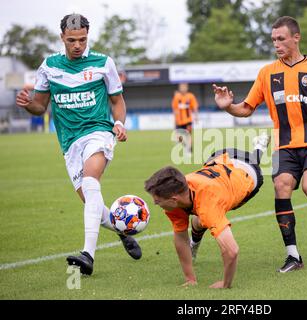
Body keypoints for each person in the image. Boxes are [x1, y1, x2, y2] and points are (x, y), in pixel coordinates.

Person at [212, 16, 307, 273]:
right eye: (273, 40)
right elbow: (246, 109)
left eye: (281, 39)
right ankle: (293, 256)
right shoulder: (267, 73)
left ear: (296, 37)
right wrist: (228, 108)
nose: (276, 44)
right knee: (281, 187)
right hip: (284, 145)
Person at [15, 14, 142, 276]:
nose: (77, 45)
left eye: (82, 40)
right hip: (69, 141)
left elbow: (117, 101)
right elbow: (40, 106)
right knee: (90, 201)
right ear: (62, 37)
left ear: (88, 36)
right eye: (72, 40)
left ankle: (88, 255)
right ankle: (121, 229)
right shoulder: (49, 66)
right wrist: (29, 104)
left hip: (98, 132)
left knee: (91, 181)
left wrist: (119, 124)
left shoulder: (103, 63)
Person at [144, 134, 269, 288]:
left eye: (158, 200)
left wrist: (226, 284)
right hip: (219, 158)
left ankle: (259, 147)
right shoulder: (179, 191)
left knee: (205, 217)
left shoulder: (208, 205)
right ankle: (195, 244)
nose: (155, 203)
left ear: (173, 199)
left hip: (247, 172)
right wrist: (190, 279)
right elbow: (181, 238)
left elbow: (232, 251)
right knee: (200, 219)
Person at [171, 83, 199, 156]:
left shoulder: (190, 96)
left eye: (184, 87)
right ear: (179, 88)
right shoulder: (176, 97)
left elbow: (195, 107)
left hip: (188, 120)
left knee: (188, 136)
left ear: (187, 88)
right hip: (179, 121)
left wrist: (196, 116)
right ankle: (185, 146)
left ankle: (189, 150)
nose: (183, 89)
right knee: (178, 138)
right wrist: (175, 121)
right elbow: (174, 109)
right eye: (181, 87)